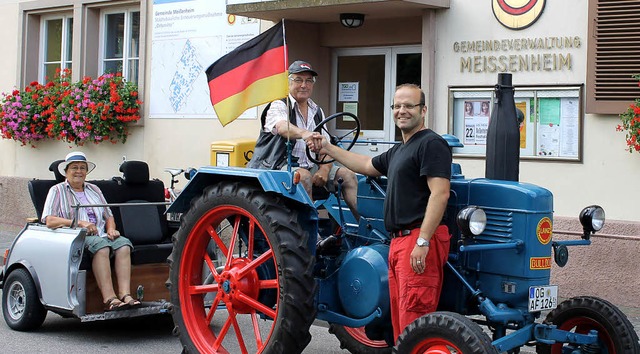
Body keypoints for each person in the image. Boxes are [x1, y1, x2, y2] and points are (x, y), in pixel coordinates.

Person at [309, 83, 452, 342]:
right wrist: (328, 148)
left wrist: (423, 241)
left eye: (409, 105)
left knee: (415, 322)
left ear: (424, 110)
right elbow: (365, 164)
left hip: (417, 239)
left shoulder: (431, 144)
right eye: (397, 106)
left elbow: (440, 193)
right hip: (398, 242)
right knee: (401, 328)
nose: (402, 111)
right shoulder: (399, 150)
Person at [247, 60, 360, 220]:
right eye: (298, 80)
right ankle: (310, 235)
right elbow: (282, 127)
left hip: (309, 166)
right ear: (288, 82)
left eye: (308, 81)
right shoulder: (279, 105)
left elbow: (326, 147)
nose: (304, 85)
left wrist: (324, 170)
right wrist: (304, 133)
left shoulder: (317, 111)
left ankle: (364, 228)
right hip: (276, 167)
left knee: (347, 175)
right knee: (304, 177)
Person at [42, 151, 140, 311]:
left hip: (101, 233)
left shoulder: (94, 189)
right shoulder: (57, 190)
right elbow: (49, 221)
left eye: (82, 168)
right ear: (66, 171)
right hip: (75, 235)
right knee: (101, 246)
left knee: (123, 245)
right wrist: (79, 223)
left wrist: (111, 229)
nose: (79, 171)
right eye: (74, 168)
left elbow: (108, 214)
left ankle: (125, 295)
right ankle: (110, 298)